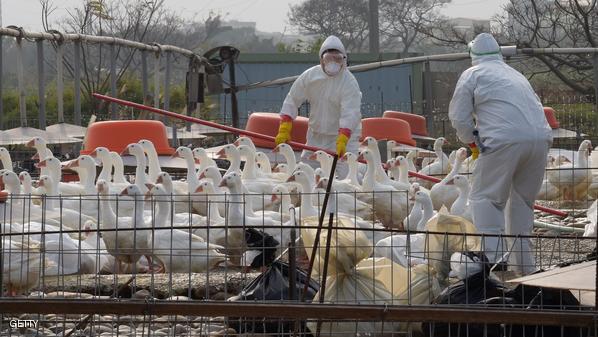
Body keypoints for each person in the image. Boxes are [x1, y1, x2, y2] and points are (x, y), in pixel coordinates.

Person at [448, 33, 552, 274]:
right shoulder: (515, 75)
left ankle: (495, 263)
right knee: (522, 202)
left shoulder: (472, 74)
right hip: (540, 139)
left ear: (472, 54)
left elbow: (459, 117)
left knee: (485, 198)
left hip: (504, 140)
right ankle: (525, 269)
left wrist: (470, 141)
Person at [274, 35, 362, 172]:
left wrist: (343, 137)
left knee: (346, 181)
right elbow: (292, 99)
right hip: (315, 138)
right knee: (305, 174)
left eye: (337, 59)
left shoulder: (349, 82)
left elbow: (350, 112)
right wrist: (284, 127)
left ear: (344, 60)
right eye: (328, 58)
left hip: (342, 140)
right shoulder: (310, 76)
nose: (333, 63)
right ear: (321, 59)